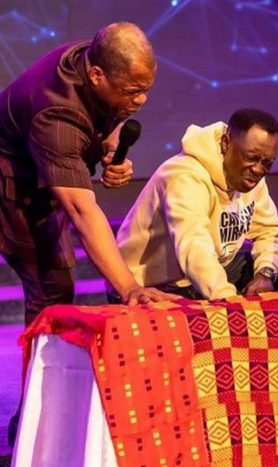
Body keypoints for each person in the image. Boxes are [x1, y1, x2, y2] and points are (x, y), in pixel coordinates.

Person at [0, 21, 175, 446]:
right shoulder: (55, 113)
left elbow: (104, 118)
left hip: (47, 171)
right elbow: (81, 207)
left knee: (57, 289)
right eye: (133, 91)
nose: (141, 100)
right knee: (51, 290)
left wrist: (107, 148)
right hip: (11, 186)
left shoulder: (96, 58)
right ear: (97, 76)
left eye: (146, 88)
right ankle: (32, 421)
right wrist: (129, 287)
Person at [115, 108, 278, 300]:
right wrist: (229, 300)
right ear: (226, 143)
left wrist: (265, 274)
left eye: (267, 163)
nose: (258, 169)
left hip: (203, 274)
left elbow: (267, 230)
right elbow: (194, 246)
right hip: (155, 285)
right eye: (251, 158)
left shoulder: (250, 177)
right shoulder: (184, 176)